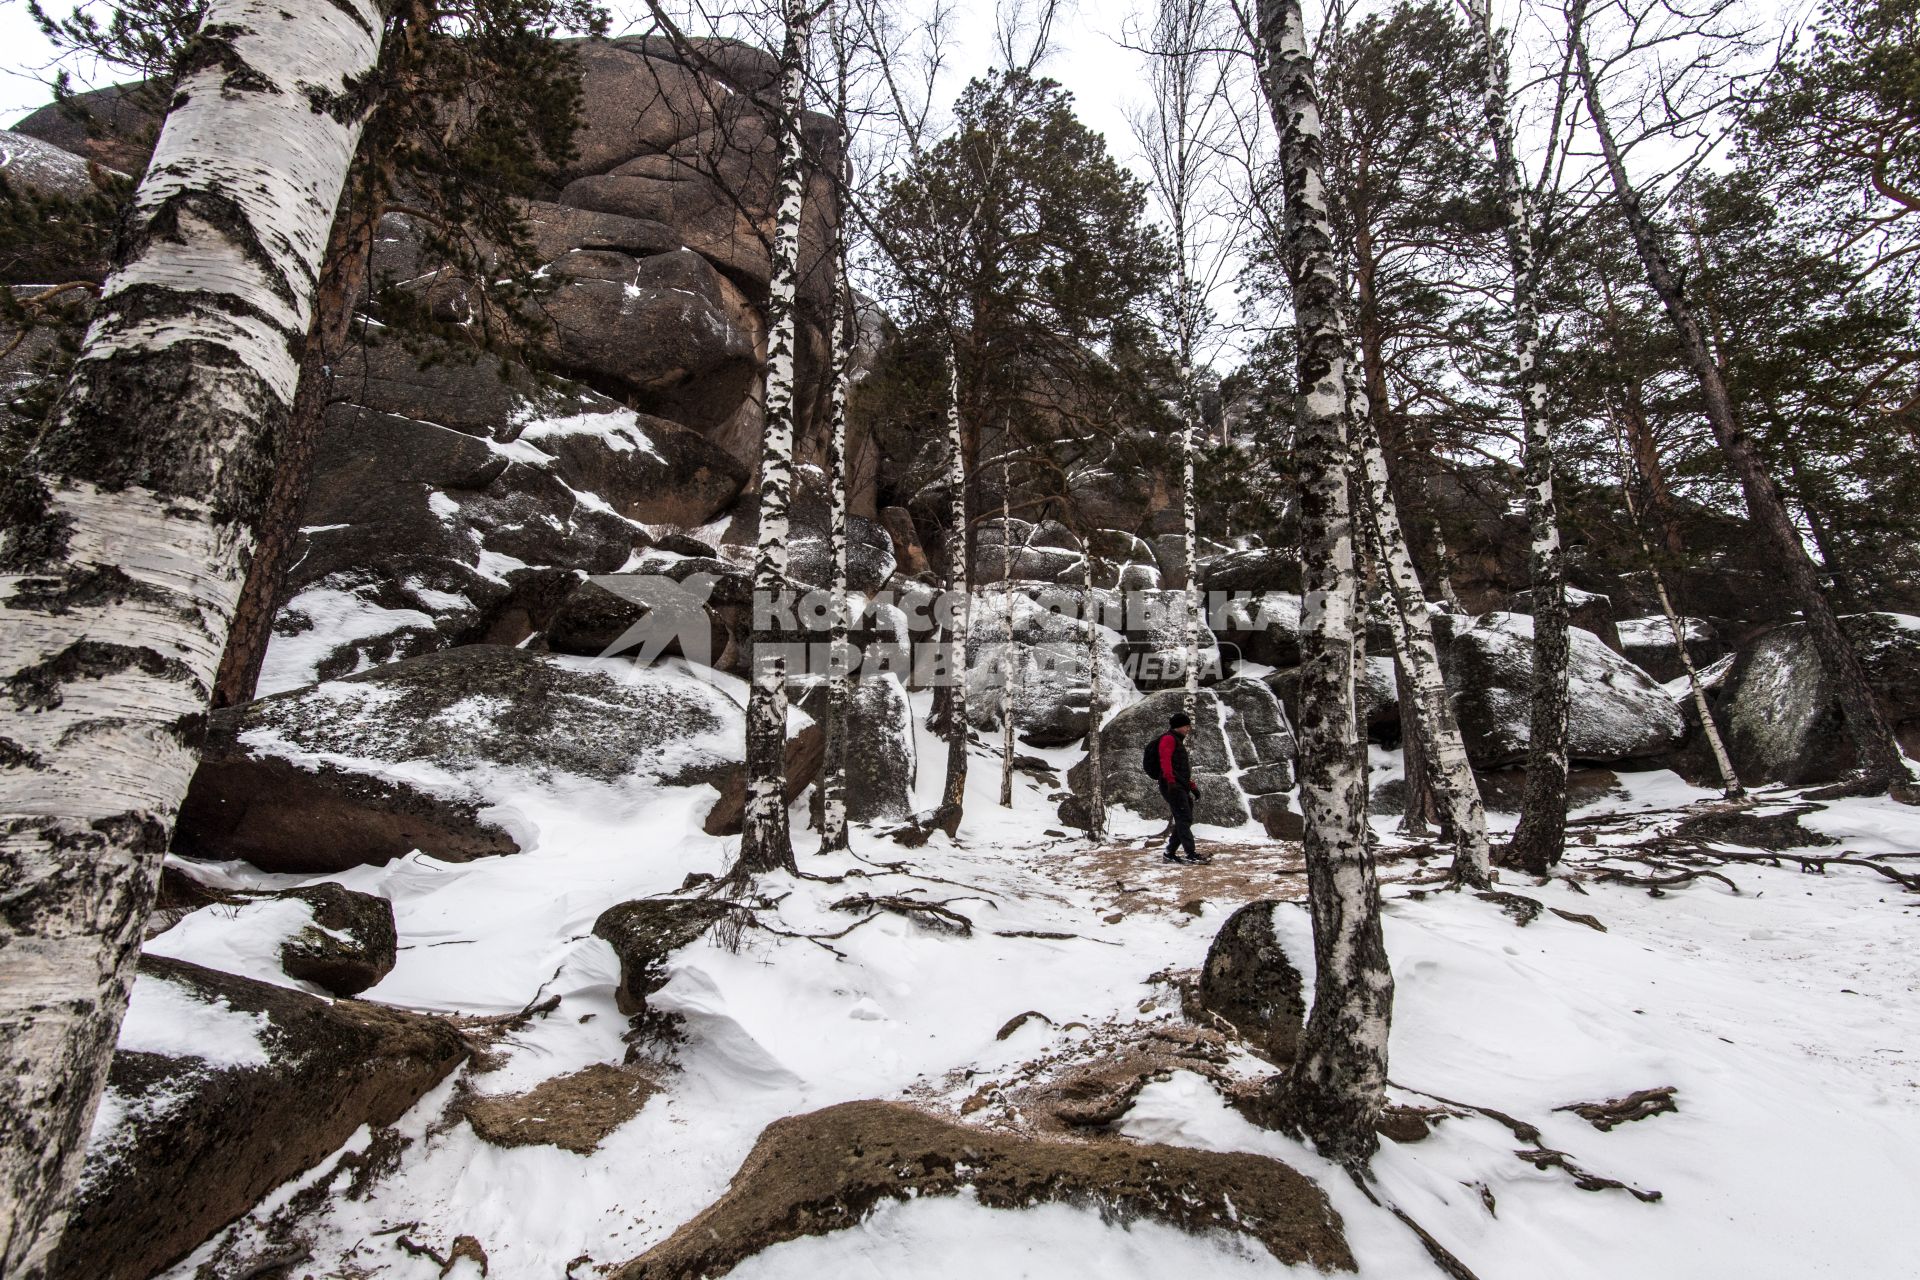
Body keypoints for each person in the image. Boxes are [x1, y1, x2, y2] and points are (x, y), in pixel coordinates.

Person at [1154, 712, 1207, 864]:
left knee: (1184, 818)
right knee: (1184, 817)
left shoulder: (1177, 740)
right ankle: (1191, 854)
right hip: (1171, 785)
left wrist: (1192, 786)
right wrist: (1170, 782)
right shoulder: (1168, 739)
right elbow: (1165, 762)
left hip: (1179, 785)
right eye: (1186, 726)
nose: (1188, 728)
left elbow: (1180, 768)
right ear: (1179, 726)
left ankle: (1169, 853)